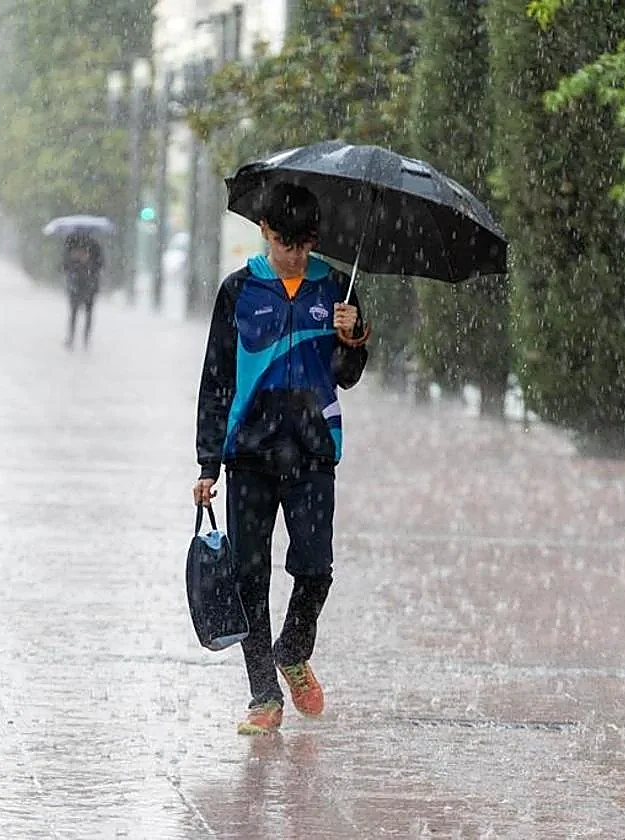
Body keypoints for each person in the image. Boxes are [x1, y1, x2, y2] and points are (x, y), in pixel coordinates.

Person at [193, 183, 371, 735]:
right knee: (250, 575)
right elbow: (217, 379)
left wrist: (353, 339)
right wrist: (207, 464)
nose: (291, 254)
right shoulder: (238, 290)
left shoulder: (337, 288)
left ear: (314, 240)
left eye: (301, 245)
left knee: (316, 566)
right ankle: (263, 695)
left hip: (315, 452)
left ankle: (292, 648)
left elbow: (346, 376)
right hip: (249, 454)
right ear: (265, 234)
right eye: (281, 242)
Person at [63, 234, 102, 349]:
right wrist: (75, 260)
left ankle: (86, 338)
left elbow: (99, 264)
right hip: (76, 283)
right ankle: (72, 337)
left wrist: (88, 262)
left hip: (89, 284)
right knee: (74, 312)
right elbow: (65, 264)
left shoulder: (94, 245)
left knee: (87, 312)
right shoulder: (71, 243)